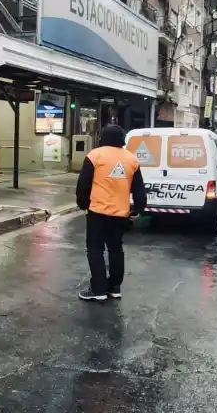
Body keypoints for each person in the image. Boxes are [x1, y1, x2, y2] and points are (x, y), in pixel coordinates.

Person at [75, 124, 147, 302]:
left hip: (97, 212)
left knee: (95, 249)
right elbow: (139, 188)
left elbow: (83, 184)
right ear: (122, 139)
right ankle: (115, 287)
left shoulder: (95, 155)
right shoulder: (131, 159)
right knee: (115, 249)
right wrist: (138, 209)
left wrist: (83, 204)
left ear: (103, 137)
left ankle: (98, 289)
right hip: (120, 213)